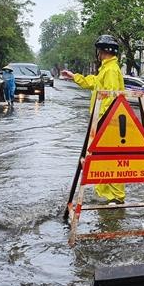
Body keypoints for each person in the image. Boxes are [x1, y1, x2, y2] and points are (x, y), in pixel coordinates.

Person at [61, 34, 126, 205]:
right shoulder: (106, 69)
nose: (97, 54)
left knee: (111, 159)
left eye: (98, 51)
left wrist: (102, 121)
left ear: (102, 51)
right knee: (103, 158)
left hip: (108, 122)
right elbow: (93, 82)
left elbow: (111, 97)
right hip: (105, 121)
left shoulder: (111, 69)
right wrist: (74, 76)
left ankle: (116, 197)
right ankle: (107, 195)